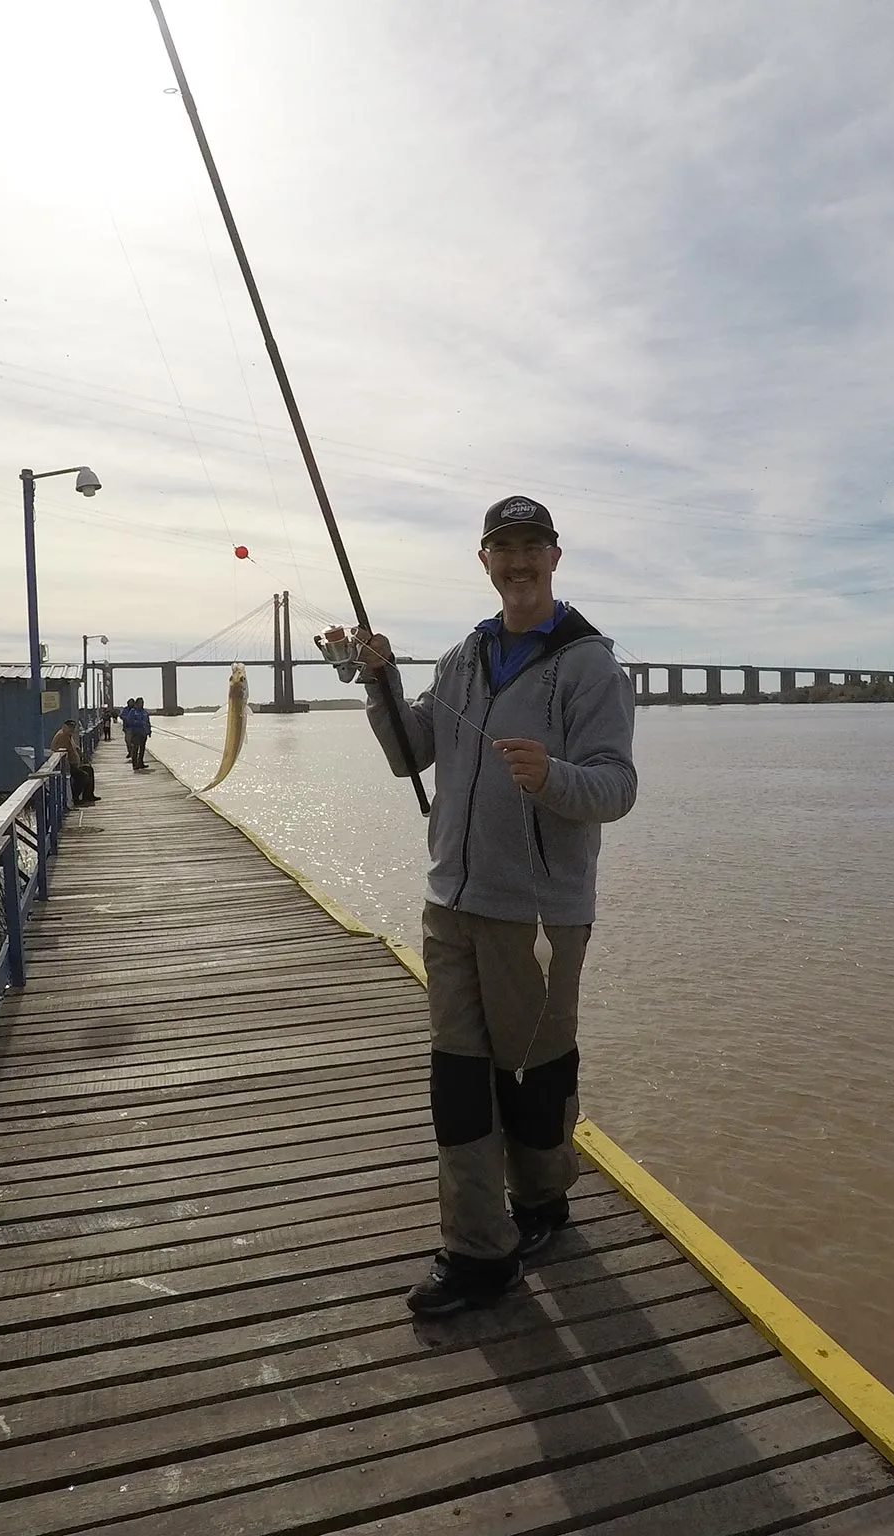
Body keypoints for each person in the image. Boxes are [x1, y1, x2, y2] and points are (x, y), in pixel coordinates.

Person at [351, 494, 637, 1315]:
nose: (516, 562)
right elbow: (411, 751)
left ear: (555, 557)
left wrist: (553, 776)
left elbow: (617, 787)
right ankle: (480, 1250)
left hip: (540, 913)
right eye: (501, 548)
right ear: (483, 562)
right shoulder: (461, 658)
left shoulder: (589, 666)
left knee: (534, 1079)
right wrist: (380, 679)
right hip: (450, 903)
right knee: (458, 1080)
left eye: (531, 547)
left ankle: (544, 1203)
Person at [50, 715, 97, 804]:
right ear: (64, 727)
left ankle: (88, 795)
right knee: (83, 776)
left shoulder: (68, 735)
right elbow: (62, 753)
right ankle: (75, 798)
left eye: (73, 727)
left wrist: (81, 754)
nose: (72, 729)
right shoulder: (62, 736)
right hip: (67, 766)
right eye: (70, 727)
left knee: (89, 769)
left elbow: (74, 748)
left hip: (74, 764)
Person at [120, 697, 151, 771]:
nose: (142, 704)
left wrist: (149, 730)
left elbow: (148, 722)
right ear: (137, 703)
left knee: (142, 749)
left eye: (143, 702)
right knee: (135, 748)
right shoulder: (133, 711)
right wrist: (139, 723)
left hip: (144, 733)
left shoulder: (145, 712)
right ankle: (135, 764)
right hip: (136, 732)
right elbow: (130, 722)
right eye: (141, 702)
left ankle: (141, 762)